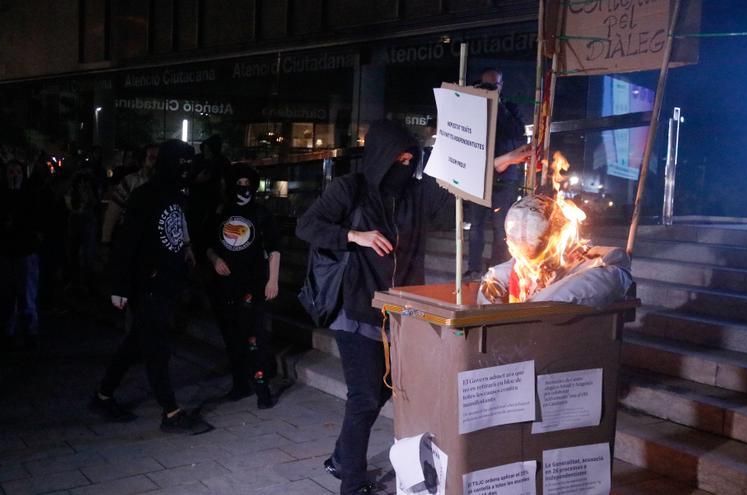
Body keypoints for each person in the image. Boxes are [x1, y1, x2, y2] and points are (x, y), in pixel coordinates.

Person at [296, 120, 452, 495]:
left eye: (410, 157)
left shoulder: (415, 193)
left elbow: (449, 209)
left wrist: (495, 165)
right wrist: (354, 236)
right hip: (356, 309)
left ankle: (340, 458)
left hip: (400, 315)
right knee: (365, 396)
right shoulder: (351, 188)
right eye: (397, 156)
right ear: (381, 155)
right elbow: (307, 225)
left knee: (383, 391)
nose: (404, 163)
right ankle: (351, 483)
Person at [89, 139, 212, 435]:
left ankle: (103, 396)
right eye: (180, 164)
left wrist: (186, 249)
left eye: (188, 164)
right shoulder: (145, 195)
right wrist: (118, 286)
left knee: (136, 343)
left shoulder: (176, 194)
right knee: (156, 347)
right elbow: (127, 241)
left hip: (165, 281)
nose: (185, 169)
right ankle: (170, 412)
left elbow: (176, 228)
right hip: (147, 284)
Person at [205, 164, 281, 408]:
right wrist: (215, 260)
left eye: (248, 185)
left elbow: (274, 248)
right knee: (232, 337)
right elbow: (206, 243)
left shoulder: (261, 213)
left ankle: (262, 389)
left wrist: (273, 279)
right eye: (239, 184)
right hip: (226, 286)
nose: (243, 190)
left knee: (255, 337)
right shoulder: (220, 212)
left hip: (254, 283)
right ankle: (240, 383)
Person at [465, 67, 528, 280]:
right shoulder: (474, 109)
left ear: (501, 86)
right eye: (487, 85)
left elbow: (518, 133)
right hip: (479, 176)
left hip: (505, 177)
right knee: (476, 226)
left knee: (502, 227)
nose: (492, 89)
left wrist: (498, 105)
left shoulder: (509, 108)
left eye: (495, 85)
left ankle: (498, 268)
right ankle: (474, 268)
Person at [0, 160, 43, 350]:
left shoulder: (29, 195)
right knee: (6, 295)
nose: (13, 175)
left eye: (16, 171)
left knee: (25, 295)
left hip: (23, 251)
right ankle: (7, 332)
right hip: (6, 251)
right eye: (10, 171)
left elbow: (35, 220)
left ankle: (29, 332)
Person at [101, 143, 158, 244]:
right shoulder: (130, 182)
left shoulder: (164, 183)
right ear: (143, 160)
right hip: (132, 237)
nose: (156, 161)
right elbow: (113, 212)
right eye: (152, 157)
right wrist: (106, 239)